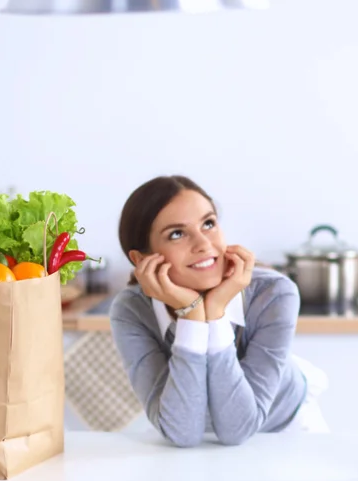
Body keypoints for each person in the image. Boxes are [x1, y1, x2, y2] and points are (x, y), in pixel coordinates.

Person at [109, 175, 329, 447]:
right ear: (142, 259)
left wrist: (214, 313)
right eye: (177, 234)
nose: (203, 244)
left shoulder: (273, 294)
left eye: (208, 224)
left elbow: (238, 428)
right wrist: (193, 316)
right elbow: (182, 434)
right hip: (197, 437)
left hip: (283, 434)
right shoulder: (132, 310)